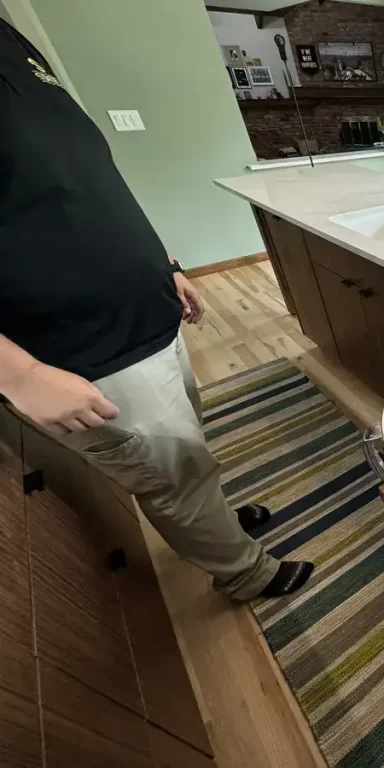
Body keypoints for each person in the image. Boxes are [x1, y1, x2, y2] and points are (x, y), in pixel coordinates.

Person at [0, 18, 314, 601]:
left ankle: (214, 523)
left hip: (146, 313)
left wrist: (164, 263)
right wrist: (20, 375)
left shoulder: (14, 39)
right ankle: (244, 574)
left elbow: (87, 182)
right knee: (170, 475)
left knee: (185, 452)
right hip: (84, 352)